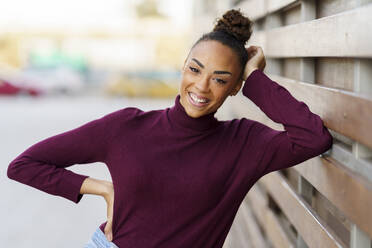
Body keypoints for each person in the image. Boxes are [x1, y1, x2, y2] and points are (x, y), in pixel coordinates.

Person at [7, 9, 333, 248]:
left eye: (221, 79)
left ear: (235, 88)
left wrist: (256, 79)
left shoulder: (244, 143)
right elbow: (23, 166)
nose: (202, 86)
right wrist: (101, 188)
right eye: (195, 69)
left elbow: (313, 137)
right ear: (183, 67)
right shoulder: (125, 127)